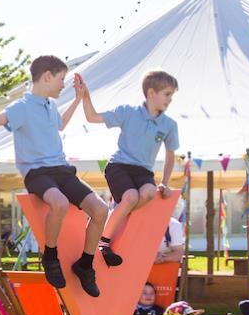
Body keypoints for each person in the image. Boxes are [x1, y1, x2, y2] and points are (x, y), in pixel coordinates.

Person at [0, 56, 109, 296]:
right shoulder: (22, 107)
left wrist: (78, 100)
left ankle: (85, 264)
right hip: (37, 173)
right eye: (61, 79)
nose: (63, 84)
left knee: (101, 210)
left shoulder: (50, 105)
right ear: (47, 77)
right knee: (59, 203)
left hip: (62, 170)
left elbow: (60, 125)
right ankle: (50, 257)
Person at [72, 70, 180, 267]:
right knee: (130, 197)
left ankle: (117, 214)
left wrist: (165, 183)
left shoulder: (169, 125)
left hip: (143, 171)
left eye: (172, 95)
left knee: (148, 193)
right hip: (119, 166)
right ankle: (103, 241)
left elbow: (170, 155)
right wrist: (85, 97)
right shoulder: (128, 112)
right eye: (167, 94)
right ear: (151, 93)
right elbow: (92, 117)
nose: (170, 99)